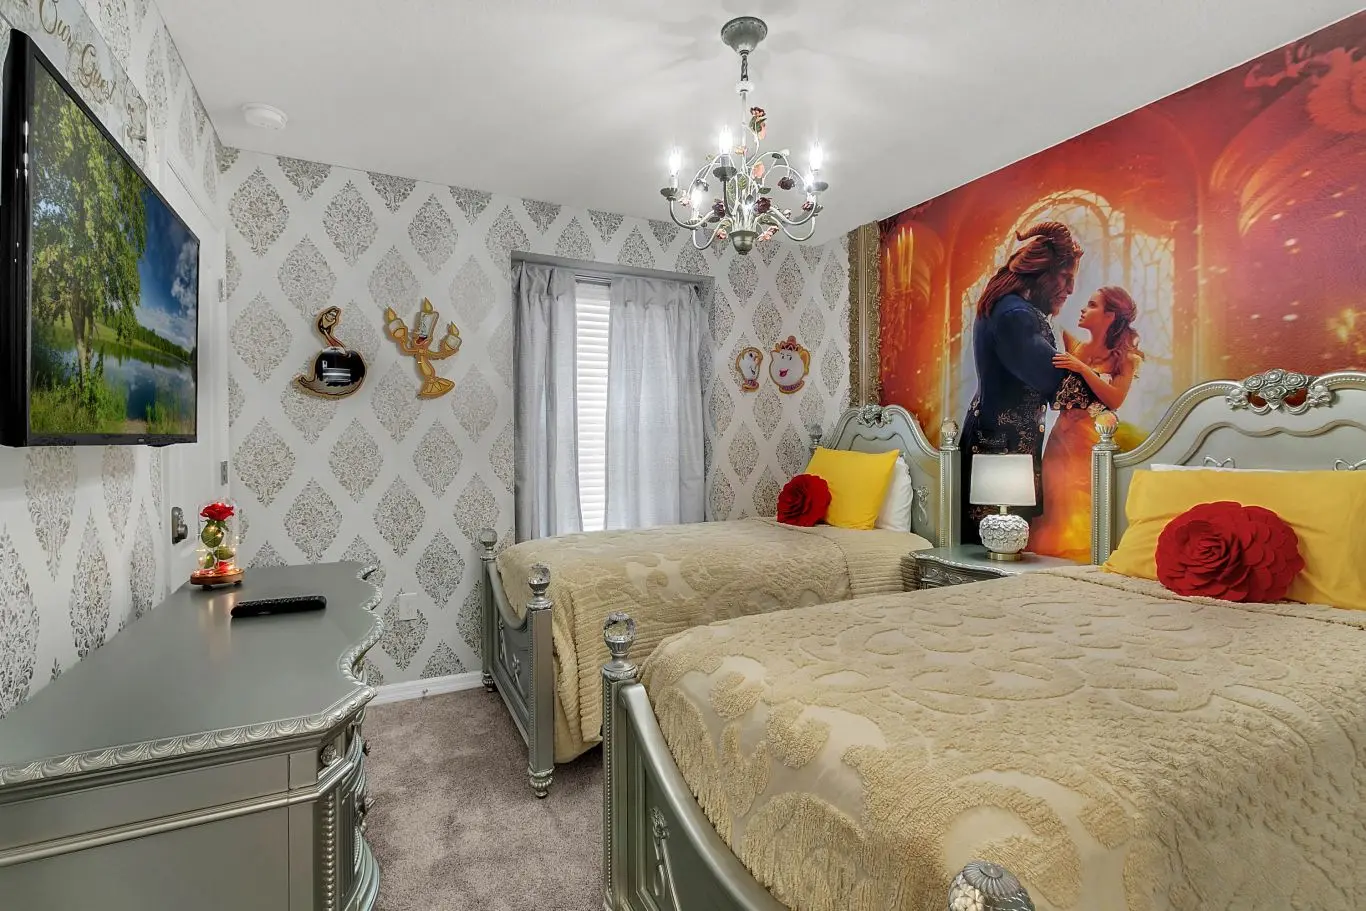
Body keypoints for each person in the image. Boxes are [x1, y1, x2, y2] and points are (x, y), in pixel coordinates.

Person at [959, 221, 1098, 543]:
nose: (1070, 289)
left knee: (995, 548)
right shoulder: (1016, 315)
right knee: (996, 550)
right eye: (1066, 277)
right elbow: (1058, 383)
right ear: (1042, 273)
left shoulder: (1006, 307)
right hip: (1001, 454)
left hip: (999, 446)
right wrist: (1102, 376)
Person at [1029, 287, 1145, 560]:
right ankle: (1048, 562)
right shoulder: (1074, 345)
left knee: (1081, 498)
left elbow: (1114, 399)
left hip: (1089, 438)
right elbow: (1052, 326)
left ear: (1110, 315)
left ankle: (1084, 559)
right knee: (1055, 500)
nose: (1083, 309)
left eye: (1092, 305)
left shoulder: (1126, 359)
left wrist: (1082, 368)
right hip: (1060, 436)